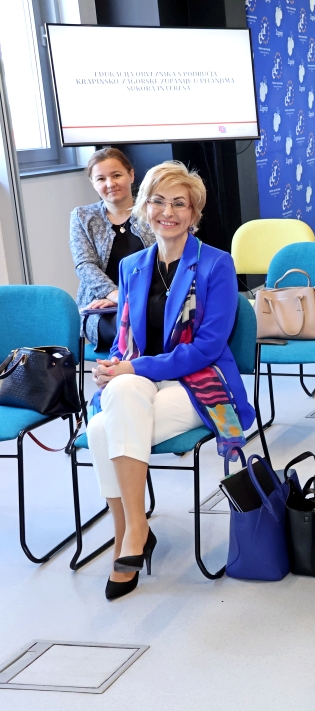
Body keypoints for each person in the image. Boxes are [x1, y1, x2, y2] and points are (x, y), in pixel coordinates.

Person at [86, 161, 256, 601]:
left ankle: (129, 533)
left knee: (103, 429)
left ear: (194, 213)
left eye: (180, 203)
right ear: (144, 208)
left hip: (202, 382)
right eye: (159, 201)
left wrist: (133, 369)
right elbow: (124, 342)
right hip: (143, 381)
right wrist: (113, 366)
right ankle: (135, 529)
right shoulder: (132, 266)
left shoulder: (217, 264)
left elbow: (207, 348)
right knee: (121, 391)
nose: (168, 212)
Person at [71, 148, 154, 352]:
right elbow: (84, 265)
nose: (110, 184)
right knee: (129, 326)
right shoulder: (82, 216)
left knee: (153, 320)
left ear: (131, 175)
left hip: (150, 301)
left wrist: (132, 299)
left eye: (116, 175)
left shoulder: (153, 212)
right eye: (101, 178)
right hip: (101, 307)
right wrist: (115, 295)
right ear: (93, 183)